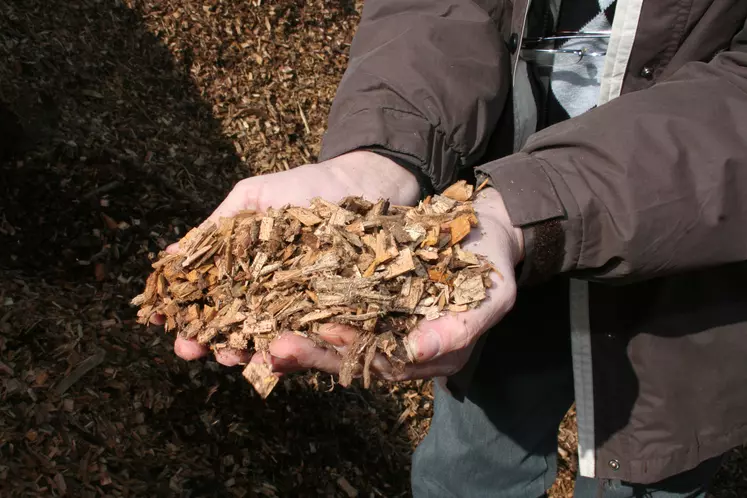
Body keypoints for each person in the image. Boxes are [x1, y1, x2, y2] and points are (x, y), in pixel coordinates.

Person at [165, 0, 747, 496]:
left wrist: (533, 207)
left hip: (693, 278)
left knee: (646, 469)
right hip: (486, 230)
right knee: (472, 461)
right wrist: (385, 151)